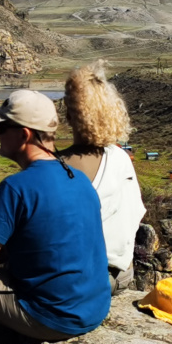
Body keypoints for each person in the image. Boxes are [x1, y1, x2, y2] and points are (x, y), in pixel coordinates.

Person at [0, 89, 109, 344]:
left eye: (2, 127)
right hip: (94, 309)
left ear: (25, 134)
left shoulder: (16, 187)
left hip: (53, 318)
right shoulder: (78, 178)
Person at [58, 64, 146, 290]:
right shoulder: (121, 157)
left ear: (69, 114)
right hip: (125, 273)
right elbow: (138, 213)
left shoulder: (60, 165)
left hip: (87, 278)